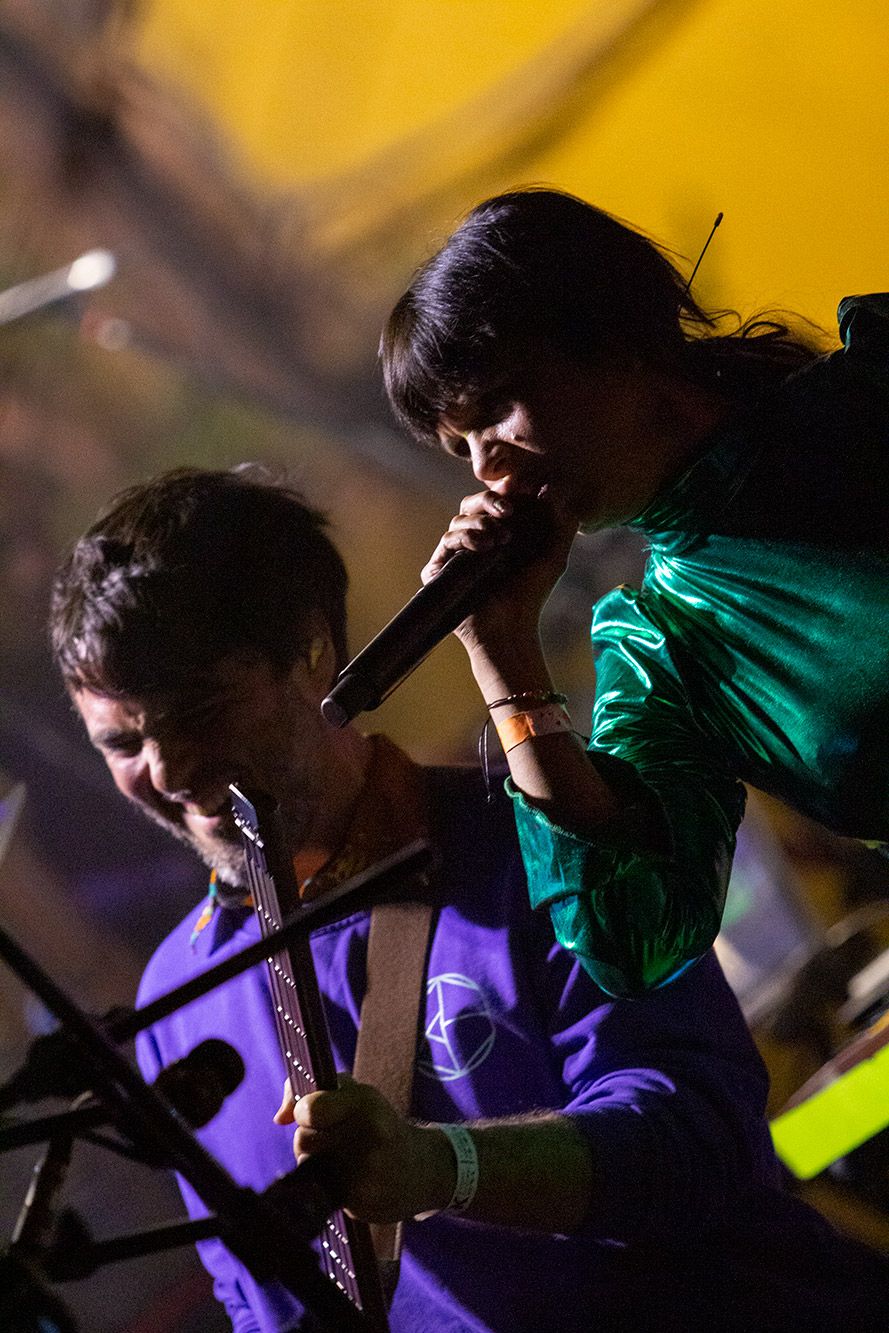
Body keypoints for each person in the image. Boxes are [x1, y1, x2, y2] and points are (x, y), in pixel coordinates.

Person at [50, 466, 888, 1331]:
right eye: (121, 739)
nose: (167, 769)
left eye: (198, 710)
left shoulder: (546, 836)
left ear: (311, 652)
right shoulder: (172, 1004)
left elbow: (699, 1134)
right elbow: (258, 1294)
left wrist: (444, 1166)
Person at [381, 186, 889, 998]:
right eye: (458, 446)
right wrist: (502, 655)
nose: (484, 467)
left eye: (496, 408)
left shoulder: (871, 384)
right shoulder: (665, 644)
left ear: (609, 337)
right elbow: (631, 934)